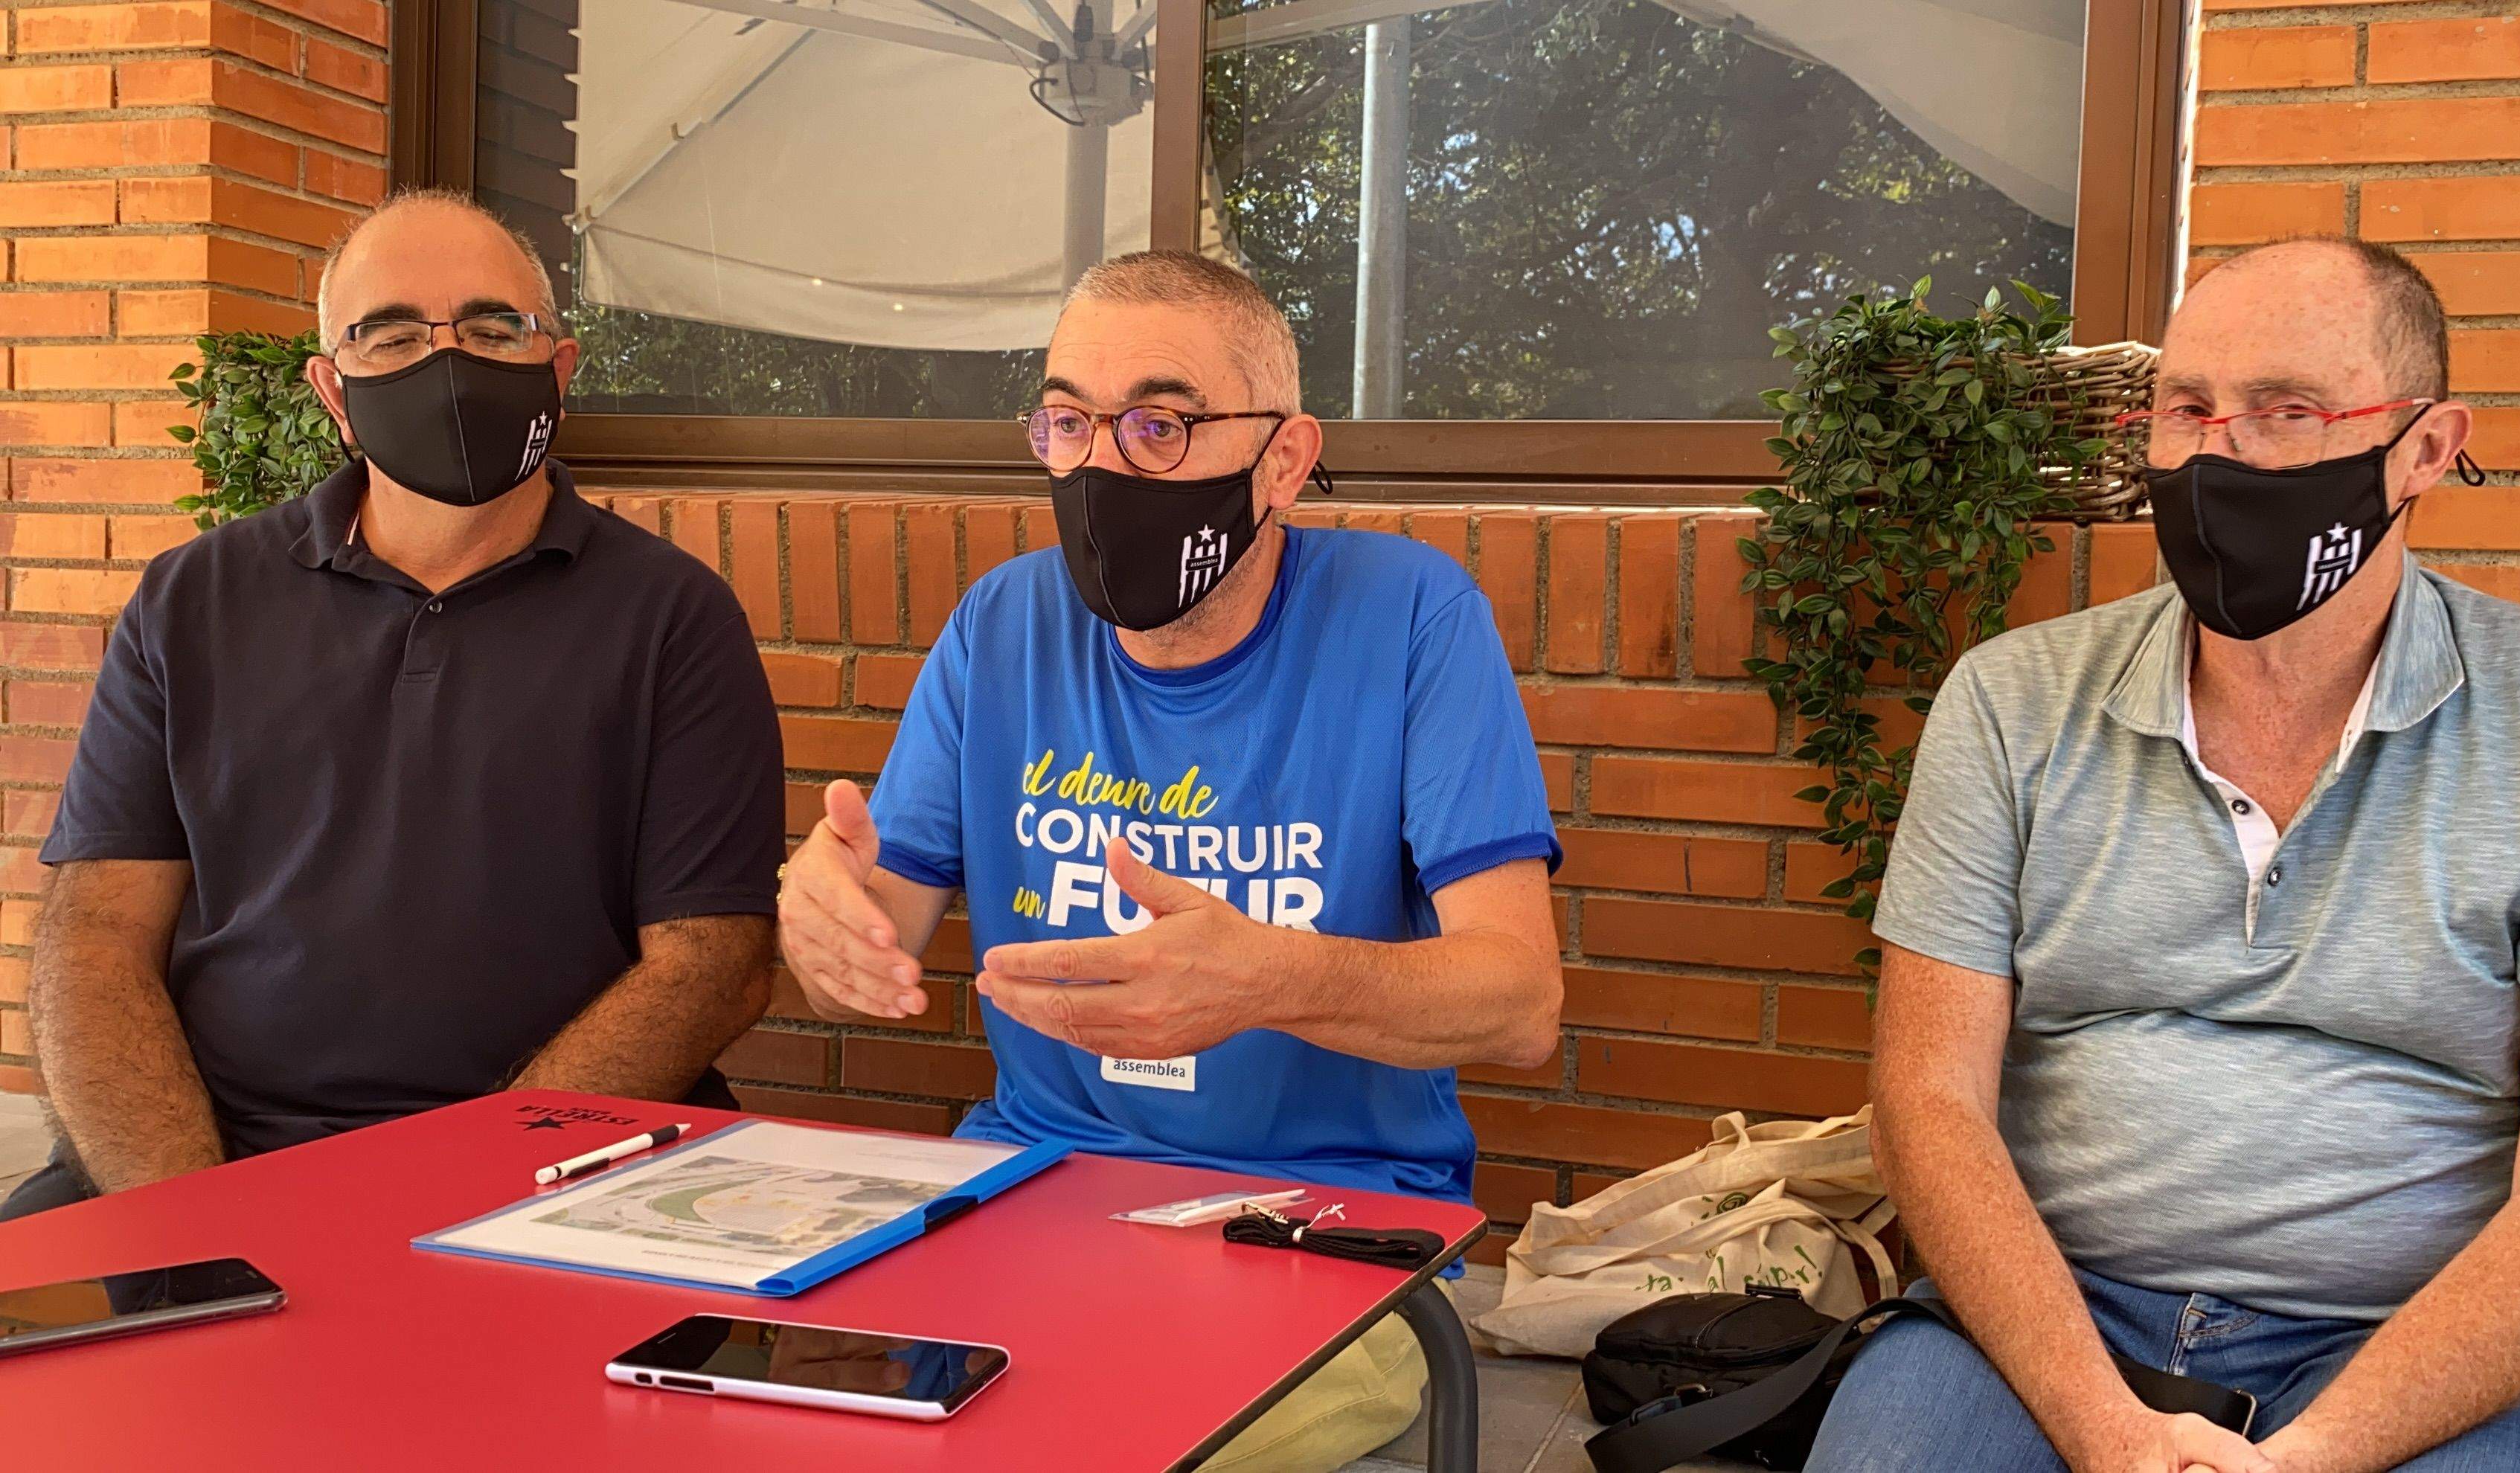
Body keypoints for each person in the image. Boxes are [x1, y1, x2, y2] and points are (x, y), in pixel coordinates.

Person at [1804, 235, 2520, 1473]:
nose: (2217, 452)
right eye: (2187, 410)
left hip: (2401, 1336)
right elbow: (1929, 1099)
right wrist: (2104, 1426)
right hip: (2055, 1316)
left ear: (2427, 449)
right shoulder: (2014, 702)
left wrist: (2307, 1458)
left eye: (2286, 411)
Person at [776, 249, 1563, 1471]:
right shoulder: (1004, 624)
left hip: (1325, 1227)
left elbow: (1520, 1004)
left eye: (1159, 425)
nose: (1100, 467)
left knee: (1101, 1448)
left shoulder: (1410, 616)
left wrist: (1271, 981)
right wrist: (821, 914)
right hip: (1024, 1198)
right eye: (1068, 422)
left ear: (1285, 459)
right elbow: (875, 932)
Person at [6, 189, 783, 1220]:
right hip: (217, 1155)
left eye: (494, 326)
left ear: (560, 369)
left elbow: (713, 965)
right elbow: (95, 941)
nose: (446, 363)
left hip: (552, 1175)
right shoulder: (191, 601)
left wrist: (471, 1191)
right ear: (333, 389)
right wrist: (186, 1220)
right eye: (391, 333)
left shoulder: (674, 617)